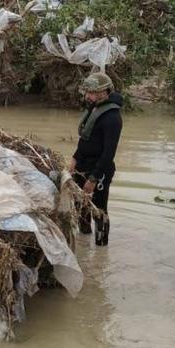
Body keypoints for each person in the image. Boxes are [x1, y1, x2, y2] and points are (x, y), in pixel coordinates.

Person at [68, 72, 123, 246]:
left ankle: (101, 247)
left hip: (99, 170)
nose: (87, 96)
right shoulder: (94, 109)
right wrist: (74, 159)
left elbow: (109, 153)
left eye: (91, 93)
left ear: (104, 92)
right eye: (87, 92)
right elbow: (85, 140)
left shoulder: (112, 118)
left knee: (98, 210)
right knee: (80, 206)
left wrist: (93, 178)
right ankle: (84, 239)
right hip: (83, 165)